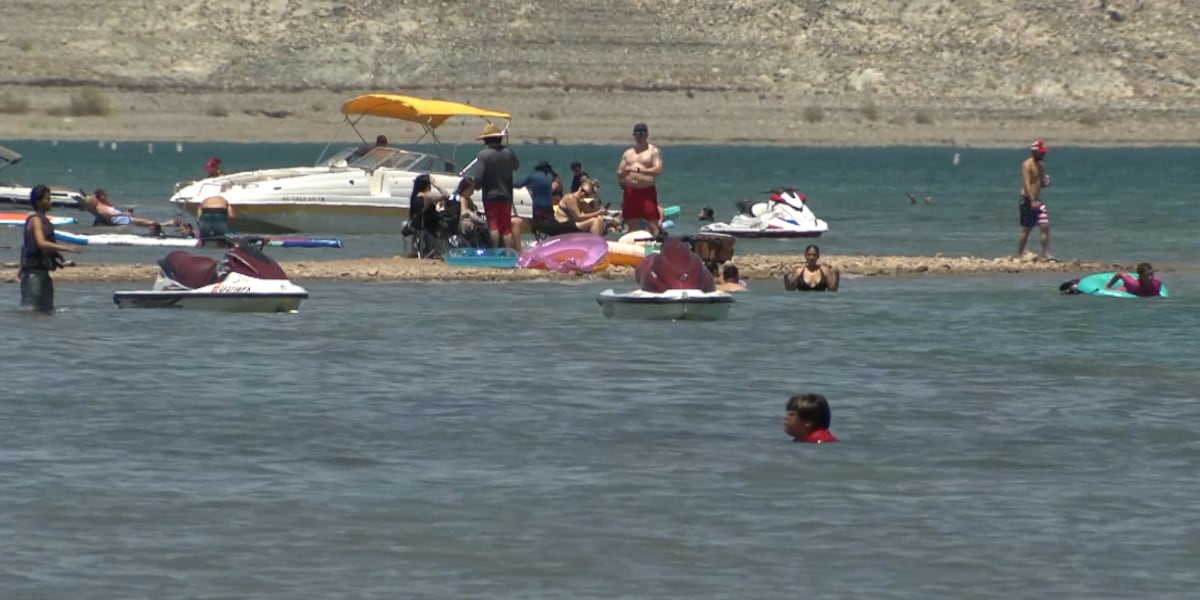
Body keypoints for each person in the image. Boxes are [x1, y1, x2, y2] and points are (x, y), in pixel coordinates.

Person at [18, 185, 82, 313]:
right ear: (38, 202)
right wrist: (67, 248)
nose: (50, 202)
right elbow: (41, 243)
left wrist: (54, 256)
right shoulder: (35, 220)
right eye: (47, 199)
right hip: (33, 274)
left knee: (47, 310)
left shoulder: (45, 221)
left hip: (43, 272)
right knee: (31, 310)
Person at [469, 123, 521, 251]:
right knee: (506, 228)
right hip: (506, 195)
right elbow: (516, 166)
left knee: (494, 226)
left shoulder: (483, 155)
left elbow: (479, 177)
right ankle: (508, 253)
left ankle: (494, 251)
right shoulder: (508, 152)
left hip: (490, 195)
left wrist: (475, 186)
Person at [616, 122, 663, 237]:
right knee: (632, 225)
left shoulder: (653, 151)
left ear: (647, 135)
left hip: (646, 191)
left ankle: (655, 247)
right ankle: (634, 251)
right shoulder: (628, 153)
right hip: (630, 191)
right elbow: (619, 172)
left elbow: (658, 170)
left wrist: (640, 171)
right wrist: (622, 179)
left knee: (652, 223)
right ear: (634, 135)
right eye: (637, 133)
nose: (639, 136)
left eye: (642, 133)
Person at [1017, 139, 1054, 260]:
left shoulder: (1040, 165)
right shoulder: (1027, 164)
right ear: (1034, 152)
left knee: (1045, 225)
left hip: (1037, 199)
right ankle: (1019, 254)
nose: (1044, 154)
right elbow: (1027, 183)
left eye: (1044, 152)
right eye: (1041, 152)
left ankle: (1046, 253)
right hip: (1027, 199)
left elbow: (1038, 183)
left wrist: (1046, 183)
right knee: (1027, 229)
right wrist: (1031, 199)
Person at [84, 188, 168, 231]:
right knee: (144, 222)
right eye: (105, 195)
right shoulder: (100, 207)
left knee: (143, 223)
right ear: (101, 196)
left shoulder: (104, 204)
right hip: (121, 219)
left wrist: (125, 213)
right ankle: (164, 224)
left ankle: (161, 225)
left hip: (123, 218)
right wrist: (124, 214)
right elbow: (110, 215)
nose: (107, 196)